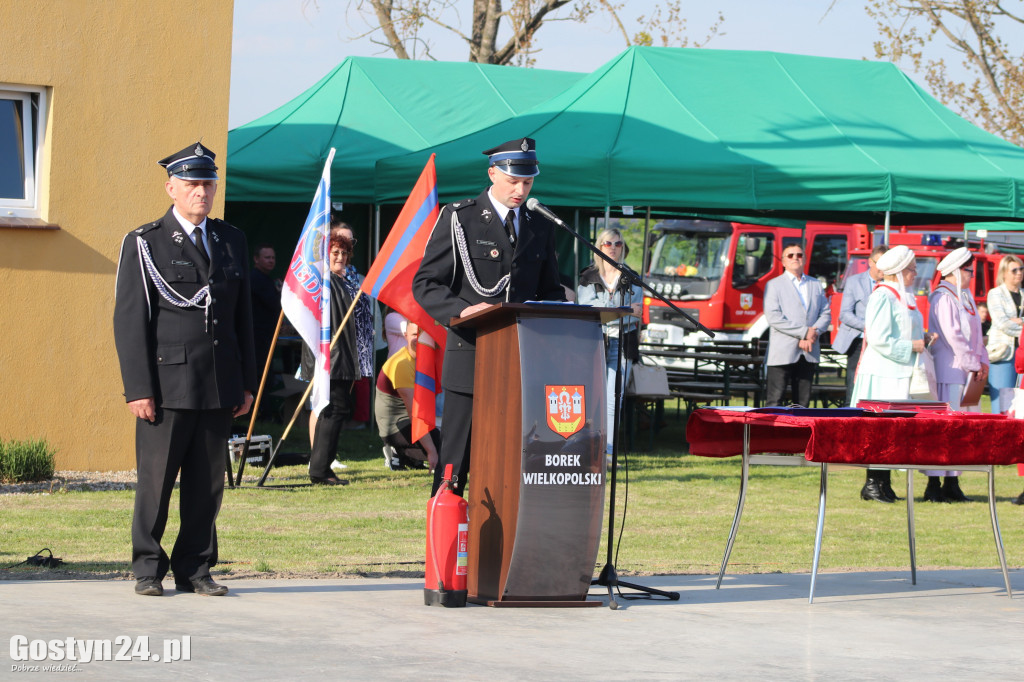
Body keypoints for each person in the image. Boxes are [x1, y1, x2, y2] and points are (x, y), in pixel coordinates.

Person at [113, 141, 257, 597]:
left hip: (218, 382)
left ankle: (195, 568)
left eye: (208, 184)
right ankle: (147, 568)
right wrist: (138, 388)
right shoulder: (145, 241)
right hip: (167, 384)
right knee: (156, 484)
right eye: (193, 184)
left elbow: (243, 319)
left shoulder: (230, 239)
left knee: (207, 486)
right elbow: (129, 320)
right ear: (171, 187)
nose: (202, 192)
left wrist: (246, 383)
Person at [413, 137, 565, 496]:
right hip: (472, 355)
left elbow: (551, 290)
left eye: (528, 182)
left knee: (510, 460)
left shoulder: (539, 224)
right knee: (456, 462)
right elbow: (426, 283)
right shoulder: (460, 218)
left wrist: (561, 315)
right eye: (513, 181)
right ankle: (445, 545)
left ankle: (498, 547)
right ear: (492, 173)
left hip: (522, 360)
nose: (520, 189)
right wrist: (463, 310)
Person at [848, 246, 934, 502]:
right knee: (880, 429)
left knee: (893, 430)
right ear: (898, 271)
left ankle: (883, 483)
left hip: (898, 373)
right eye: (911, 269)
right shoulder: (883, 295)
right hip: (883, 374)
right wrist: (911, 346)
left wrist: (923, 338)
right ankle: (873, 483)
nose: (915, 273)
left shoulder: (903, 296)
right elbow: (878, 337)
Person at [302, 231, 374, 484]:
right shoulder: (323, 280)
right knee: (333, 409)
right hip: (331, 356)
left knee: (334, 410)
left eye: (344, 253)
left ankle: (321, 467)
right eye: (335, 253)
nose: (341, 257)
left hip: (343, 354)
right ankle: (321, 469)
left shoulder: (343, 280)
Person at [926, 247, 989, 502]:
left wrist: (982, 362)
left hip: (965, 371)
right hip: (950, 370)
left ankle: (952, 480)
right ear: (955, 271)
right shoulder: (942, 297)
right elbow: (954, 336)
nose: (971, 276)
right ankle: (934, 482)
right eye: (968, 271)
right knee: (944, 428)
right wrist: (973, 363)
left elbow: (977, 335)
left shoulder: (965, 297)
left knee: (960, 428)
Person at [576, 227, 643, 456]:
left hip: (623, 342)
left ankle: (608, 452)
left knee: (615, 399)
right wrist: (622, 311)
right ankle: (588, 447)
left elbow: (636, 311)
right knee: (591, 398)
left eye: (618, 244)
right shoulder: (588, 276)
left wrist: (611, 311)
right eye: (608, 244)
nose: (613, 248)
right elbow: (588, 309)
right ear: (599, 246)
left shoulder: (631, 276)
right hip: (594, 342)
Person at [763, 243, 831, 407]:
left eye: (799, 255)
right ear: (783, 261)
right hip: (782, 351)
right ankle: (771, 432)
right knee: (775, 401)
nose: (795, 258)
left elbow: (826, 313)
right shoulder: (774, 285)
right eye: (790, 255)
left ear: (805, 259)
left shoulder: (815, 284)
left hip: (809, 350)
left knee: (802, 404)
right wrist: (804, 333)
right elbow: (774, 317)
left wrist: (812, 333)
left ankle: (800, 432)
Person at [375, 322, 440, 471]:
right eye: (414, 335)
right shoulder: (402, 364)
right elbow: (414, 414)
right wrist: (432, 452)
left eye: (422, 335)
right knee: (441, 448)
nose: (419, 339)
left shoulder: (421, 358)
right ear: (405, 336)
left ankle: (408, 456)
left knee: (446, 442)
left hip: (407, 420)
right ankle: (397, 451)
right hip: (394, 426)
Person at [832, 245, 888, 405]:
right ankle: (851, 414)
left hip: (882, 342)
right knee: (854, 382)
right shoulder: (854, 281)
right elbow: (845, 314)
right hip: (858, 340)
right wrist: (868, 327)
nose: (882, 269)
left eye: (886, 265)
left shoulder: (891, 285)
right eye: (879, 263)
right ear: (870, 262)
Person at [985, 255, 1023, 414]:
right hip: (1003, 354)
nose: (1019, 273)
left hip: (1022, 354)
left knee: (1020, 403)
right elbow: (1002, 323)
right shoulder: (995, 294)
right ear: (1004, 273)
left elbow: (1008, 323)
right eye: (1014, 270)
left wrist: (1019, 320)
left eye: (1021, 269)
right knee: (1001, 405)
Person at [250, 243, 281, 384]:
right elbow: (274, 303)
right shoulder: (256, 278)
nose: (271, 261)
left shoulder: (266, 279)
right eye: (267, 257)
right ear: (256, 259)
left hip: (266, 336)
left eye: (273, 258)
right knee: (261, 375)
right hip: (257, 338)